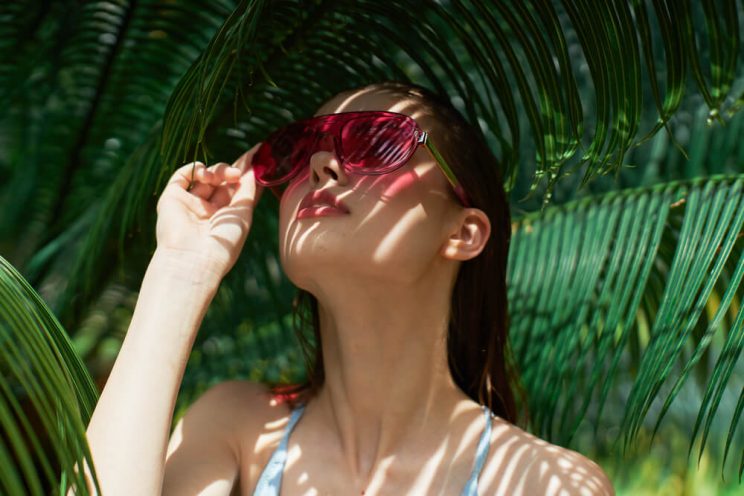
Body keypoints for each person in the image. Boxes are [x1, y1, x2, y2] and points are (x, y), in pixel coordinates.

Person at [79, 81, 615, 495]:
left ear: (462, 232)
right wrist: (181, 268)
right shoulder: (237, 428)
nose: (320, 164)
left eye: (376, 140)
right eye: (298, 147)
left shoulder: (546, 482)